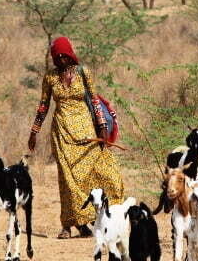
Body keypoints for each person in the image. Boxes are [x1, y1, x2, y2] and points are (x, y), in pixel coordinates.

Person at [28, 37, 125, 239]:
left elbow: (95, 101)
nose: (62, 59)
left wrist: (103, 127)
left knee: (100, 172)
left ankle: (100, 217)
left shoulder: (84, 73)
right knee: (67, 179)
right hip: (62, 132)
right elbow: (43, 106)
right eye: (58, 56)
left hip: (86, 133)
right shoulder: (50, 77)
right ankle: (68, 224)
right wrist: (34, 132)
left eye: (64, 55)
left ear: (70, 54)